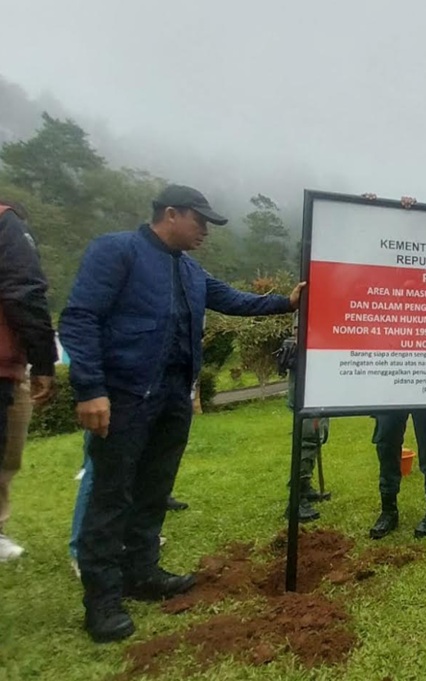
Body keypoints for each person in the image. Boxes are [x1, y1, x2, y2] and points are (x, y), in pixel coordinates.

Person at [59, 184, 305, 643]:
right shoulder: (118, 251)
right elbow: (80, 318)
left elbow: (235, 300)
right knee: (111, 495)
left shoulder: (191, 272)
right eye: (200, 221)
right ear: (170, 214)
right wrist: (91, 388)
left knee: (154, 487)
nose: (206, 232)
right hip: (125, 395)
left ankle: (142, 571)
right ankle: (103, 599)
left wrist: (285, 302)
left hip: (173, 397)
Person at [358, 194, 426, 541]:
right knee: (387, 446)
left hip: (425, 377)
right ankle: (388, 510)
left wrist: (416, 215)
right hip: (389, 378)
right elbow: (366, 253)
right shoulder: (379, 279)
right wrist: (371, 212)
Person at [0, 199, 57, 561]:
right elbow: (24, 290)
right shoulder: (6, 222)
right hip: (3, 365)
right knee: (6, 453)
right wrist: (44, 360)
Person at [276, 311, 330, 523]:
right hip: (307, 385)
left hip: (318, 380)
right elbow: (300, 333)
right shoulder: (311, 299)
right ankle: (296, 500)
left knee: (317, 435)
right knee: (308, 437)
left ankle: (305, 486)